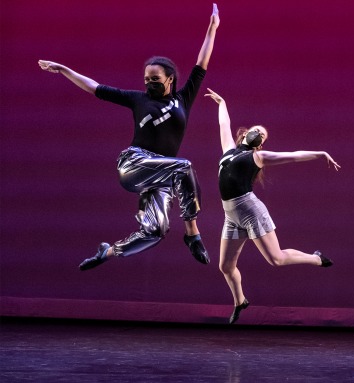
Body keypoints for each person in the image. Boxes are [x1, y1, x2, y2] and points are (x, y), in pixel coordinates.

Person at [38, 4, 220, 270]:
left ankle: (107, 252)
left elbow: (201, 63)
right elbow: (95, 88)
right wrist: (64, 69)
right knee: (185, 167)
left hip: (160, 177)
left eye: (155, 78)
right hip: (135, 164)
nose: (149, 83)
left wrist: (212, 28)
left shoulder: (183, 98)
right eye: (146, 79)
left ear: (170, 79)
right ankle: (192, 233)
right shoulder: (138, 99)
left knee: (156, 231)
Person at [205, 89, 340, 324]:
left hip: (250, 211)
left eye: (264, 136)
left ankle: (316, 258)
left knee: (276, 259)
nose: (260, 135)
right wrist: (222, 102)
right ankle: (240, 301)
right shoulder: (228, 151)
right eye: (258, 131)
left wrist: (320, 153)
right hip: (230, 215)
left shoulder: (259, 157)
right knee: (226, 267)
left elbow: (294, 156)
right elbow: (224, 124)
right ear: (247, 133)